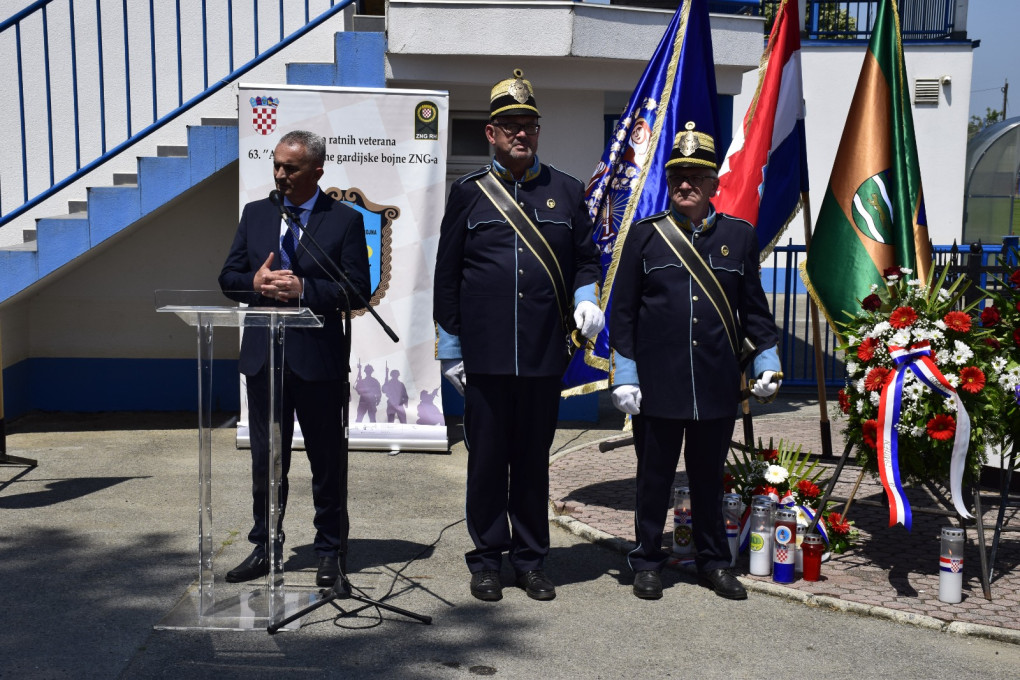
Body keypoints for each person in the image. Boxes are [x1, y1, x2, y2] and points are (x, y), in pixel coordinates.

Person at [434, 69, 604, 602]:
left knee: (531, 463)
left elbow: (585, 259)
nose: (521, 134)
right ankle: (486, 559)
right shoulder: (467, 195)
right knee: (486, 464)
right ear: (491, 133)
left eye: (529, 125)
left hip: (540, 355)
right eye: (510, 125)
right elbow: (446, 277)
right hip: (483, 358)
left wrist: (586, 296)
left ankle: (530, 560)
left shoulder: (568, 191)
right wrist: (452, 350)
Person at [609, 122, 781, 601]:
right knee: (654, 479)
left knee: (709, 479)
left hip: (715, 384)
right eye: (677, 175)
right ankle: (646, 559)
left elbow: (753, 309)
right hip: (658, 385)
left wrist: (766, 356)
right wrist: (624, 371)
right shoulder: (645, 237)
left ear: (713, 185)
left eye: (696, 176)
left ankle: (713, 562)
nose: (685, 183)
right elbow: (621, 311)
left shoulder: (738, 237)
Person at [219, 129, 371, 588]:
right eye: (277, 165)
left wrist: (305, 290)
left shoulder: (342, 220)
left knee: (326, 462)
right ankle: (265, 545)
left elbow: (357, 290)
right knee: (267, 460)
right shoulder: (256, 214)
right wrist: (256, 285)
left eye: (291, 168)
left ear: (317, 172)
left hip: (318, 363)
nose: (280, 174)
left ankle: (329, 551)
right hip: (264, 359)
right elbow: (228, 277)